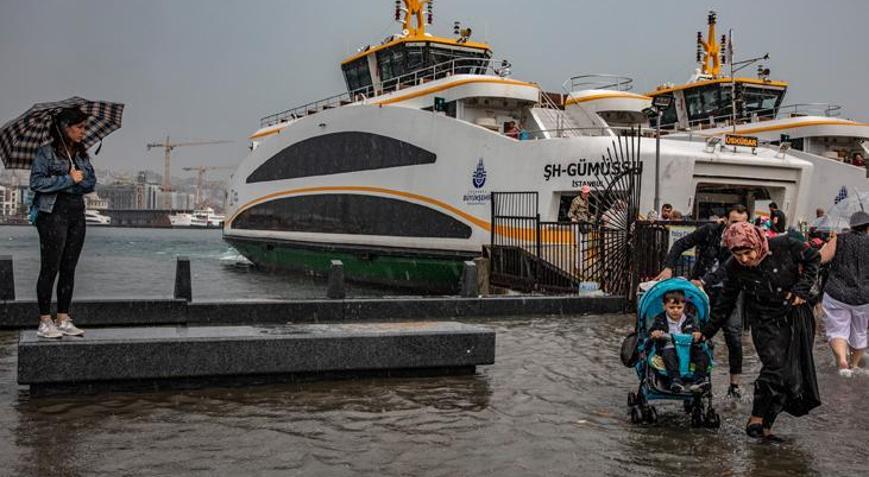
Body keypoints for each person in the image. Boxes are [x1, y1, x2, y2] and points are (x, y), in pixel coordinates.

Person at [700, 222, 821, 441]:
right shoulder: (734, 267)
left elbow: (814, 258)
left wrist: (801, 288)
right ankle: (756, 416)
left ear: (758, 244)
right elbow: (725, 303)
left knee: (791, 376)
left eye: (748, 253)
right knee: (774, 366)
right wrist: (706, 332)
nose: (745, 259)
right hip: (763, 321)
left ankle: (766, 427)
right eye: (739, 255)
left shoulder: (786, 245)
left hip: (794, 316)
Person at [655, 204, 750, 397]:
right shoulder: (710, 231)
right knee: (695, 334)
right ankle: (692, 377)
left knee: (733, 336)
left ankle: (734, 385)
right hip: (700, 294)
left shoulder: (746, 241)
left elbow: (727, 268)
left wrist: (705, 281)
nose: (737, 228)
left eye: (743, 223)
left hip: (729, 292)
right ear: (725, 221)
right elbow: (681, 244)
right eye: (734, 223)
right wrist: (668, 267)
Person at [29, 107, 96, 339]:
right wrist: (68, 179)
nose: (83, 132)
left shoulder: (81, 155)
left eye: (84, 127)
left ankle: (64, 317)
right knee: (51, 267)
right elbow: (37, 183)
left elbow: (91, 183)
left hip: (76, 214)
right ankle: (45, 321)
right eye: (79, 127)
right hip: (51, 214)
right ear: (65, 128)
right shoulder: (45, 153)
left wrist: (77, 178)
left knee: (69, 268)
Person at [819, 211, 869, 377]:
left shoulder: (839, 239)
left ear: (851, 226)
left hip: (837, 293)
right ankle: (854, 365)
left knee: (837, 329)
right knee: (860, 331)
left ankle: (842, 360)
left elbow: (821, 259)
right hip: (864, 297)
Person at [649, 290, 709, 393]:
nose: (675, 310)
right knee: (668, 355)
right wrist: (655, 333)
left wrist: (697, 334)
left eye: (679, 307)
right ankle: (675, 380)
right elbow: (652, 331)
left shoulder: (689, 319)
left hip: (688, 348)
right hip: (669, 347)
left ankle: (699, 380)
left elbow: (695, 330)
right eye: (671, 308)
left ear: (684, 306)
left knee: (703, 355)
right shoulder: (660, 319)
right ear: (664, 306)